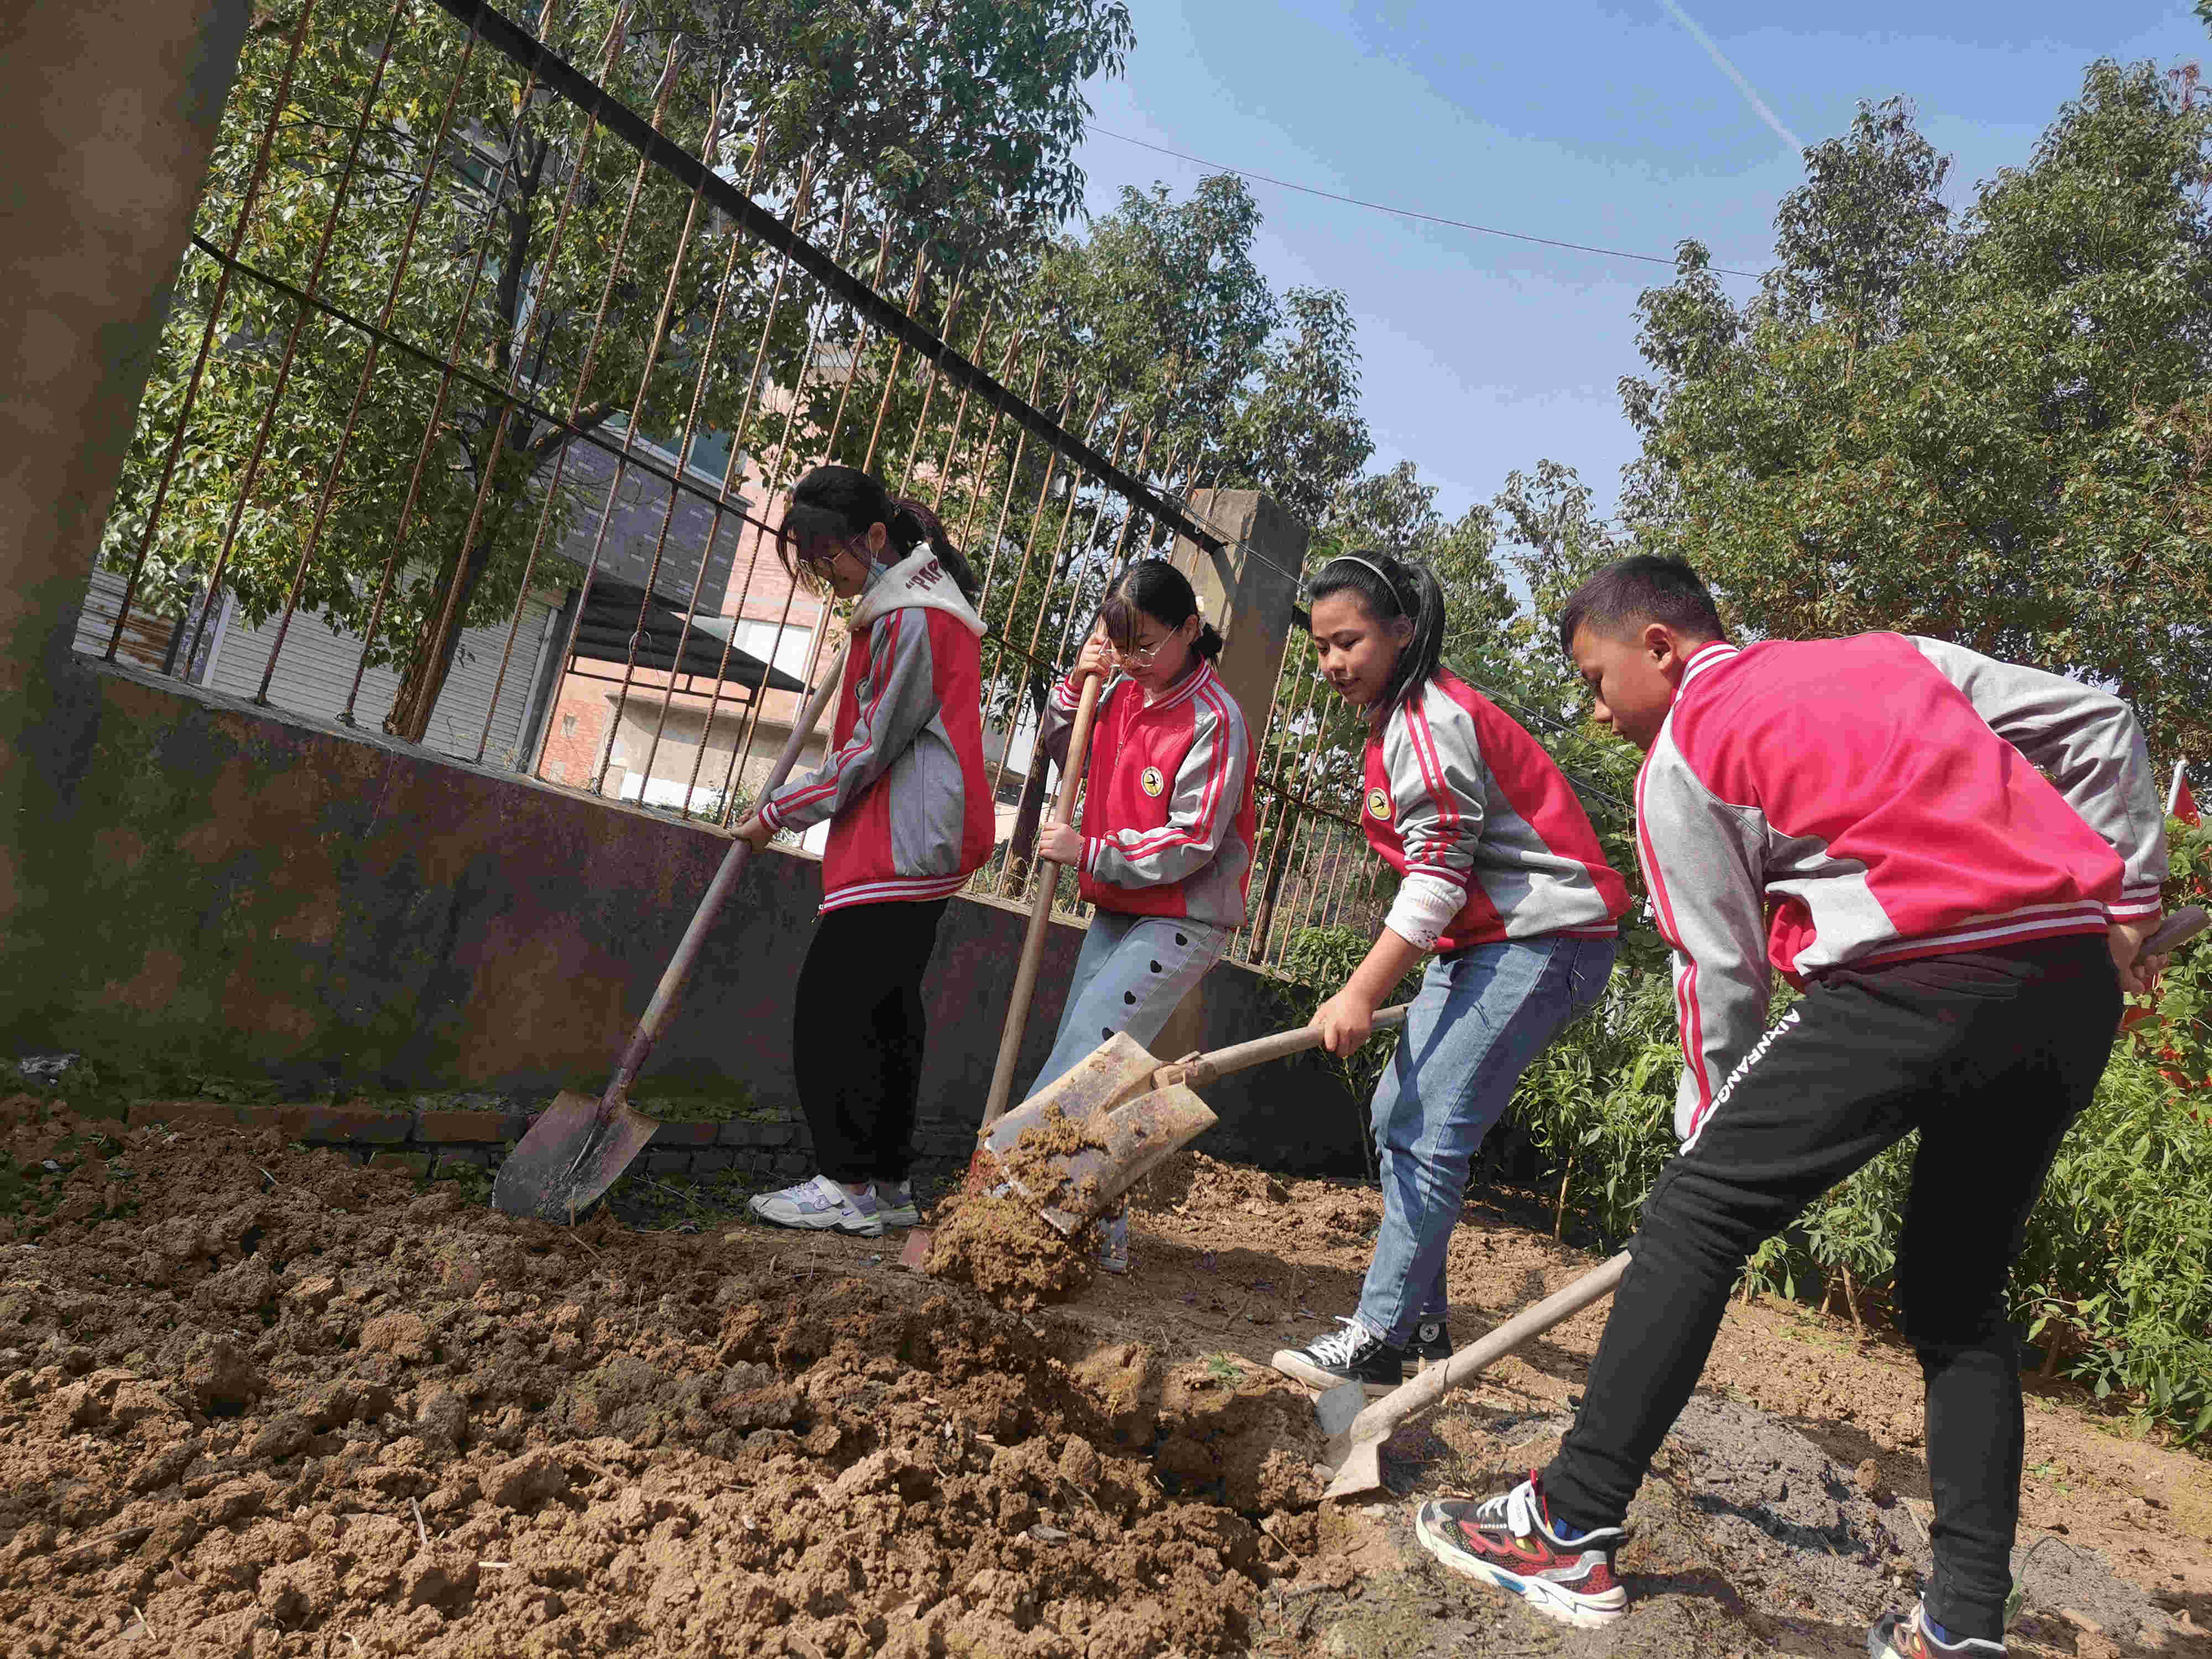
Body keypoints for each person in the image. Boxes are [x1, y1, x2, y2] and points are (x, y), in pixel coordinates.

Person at [1416, 556, 2171, 1656]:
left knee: (1693, 1216)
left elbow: (1717, 974)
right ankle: (1958, 1629)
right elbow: (2102, 725)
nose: (1591, 709)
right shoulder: (1891, 659)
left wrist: (1700, 1158)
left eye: (1594, 677)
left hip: (1918, 970)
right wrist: (2127, 909)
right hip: (2061, 985)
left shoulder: (1686, 748)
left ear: (1660, 649)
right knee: (1956, 1297)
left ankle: (1566, 1526)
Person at [1271, 550, 1627, 1391]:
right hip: (1487, 943)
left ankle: (1382, 1336)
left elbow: (1438, 875)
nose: (1331, 665)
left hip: (1543, 939)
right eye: (1320, 648)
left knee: (1432, 1131)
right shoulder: (1401, 719)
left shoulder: (1429, 722)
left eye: (1349, 641)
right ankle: (1422, 1320)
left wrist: (1361, 990)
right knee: (1401, 1107)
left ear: (1403, 630)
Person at [738, 465, 994, 1239]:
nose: (826, 575)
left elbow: (867, 750)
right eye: (813, 562)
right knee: (886, 1014)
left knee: (834, 1009)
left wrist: (776, 812)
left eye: (831, 559)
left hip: (906, 840)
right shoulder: (908, 607)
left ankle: (845, 1179)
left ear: (876, 538)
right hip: (918, 838)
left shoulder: (912, 618)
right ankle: (885, 1186)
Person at [1027, 560, 1258, 1270]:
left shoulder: (1215, 719)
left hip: (1182, 913)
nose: (1132, 660)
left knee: (1082, 1066)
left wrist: (1089, 849)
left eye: (1147, 643)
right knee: (1100, 1062)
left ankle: (1024, 1206)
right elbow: (1059, 745)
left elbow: (1192, 840)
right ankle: (1104, 1230)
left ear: (1190, 630)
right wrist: (1076, 681)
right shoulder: (1119, 689)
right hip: (1120, 904)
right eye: (1119, 643)